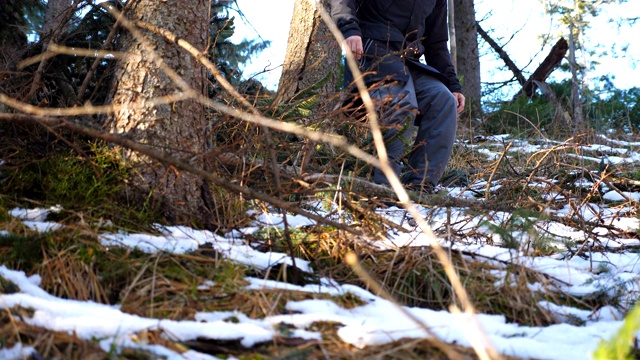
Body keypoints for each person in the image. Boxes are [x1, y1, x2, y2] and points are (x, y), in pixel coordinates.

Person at [330, 0, 465, 192]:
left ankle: (419, 187)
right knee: (401, 101)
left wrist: (453, 85)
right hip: (373, 52)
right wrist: (349, 28)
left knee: (443, 100)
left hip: (408, 62)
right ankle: (384, 188)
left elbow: (436, 43)